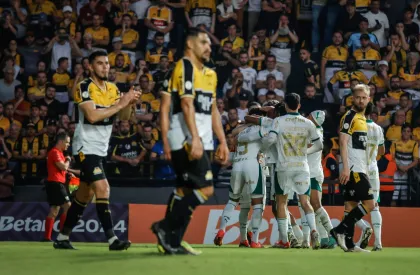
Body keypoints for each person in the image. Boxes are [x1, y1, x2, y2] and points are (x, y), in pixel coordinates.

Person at [153, 28, 229, 255]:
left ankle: (172, 241)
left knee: (185, 190)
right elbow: (182, 105)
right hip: (186, 139)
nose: (209, 46)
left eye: (210, 43)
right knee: (205, 189)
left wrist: (222, 141)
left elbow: (213, 109)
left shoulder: (211, 74)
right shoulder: (184, 67)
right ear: (189, 44)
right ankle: (165, 228)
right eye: (203, 42)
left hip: (203, 140)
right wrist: (185, 139)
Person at [53, 51, 140, 250]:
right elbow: (92, 116)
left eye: (107, 63)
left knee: (84, 195)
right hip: (85, 147)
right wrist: (121, 103)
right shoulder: (84, 87)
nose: (105, 67)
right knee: (103, 188)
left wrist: (130, 102)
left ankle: (62, 237)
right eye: (100, 63)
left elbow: (124, 116)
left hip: (101, 149)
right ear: (90, 67)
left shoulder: (113, 88)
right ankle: (112, 240)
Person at [260, 93, 324, 249]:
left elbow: (271, 139)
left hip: (284, 167)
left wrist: (262, 150)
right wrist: (304, 153)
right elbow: (319, 145)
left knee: (281, 202)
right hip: (302, 166)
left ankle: (284, 239)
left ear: (286, 105)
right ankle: (314, 231)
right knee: (305, 202)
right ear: (299, 105)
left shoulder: (278, 121)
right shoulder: (307, 123)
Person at [330, 84, 374, 253]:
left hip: (360, 166)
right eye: (358, 97)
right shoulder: (350, 116)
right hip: (353, 168)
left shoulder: (362, 118)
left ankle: (349, 245)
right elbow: (342, 141)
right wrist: (346, 169)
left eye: (364, 97)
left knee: (350, 206)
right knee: (370, 203)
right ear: (352, 98)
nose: (361, 100)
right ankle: (339, 230)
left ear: (368, 99)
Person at [214, 108, 266, 248]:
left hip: (237, 166)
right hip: (252, 166)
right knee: (258, 205)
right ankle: (254, 240)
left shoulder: (240, 130)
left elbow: (233, 135)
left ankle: (222, 230)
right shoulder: (262, 127)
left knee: (233, 201)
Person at [305, 110, 335, 249]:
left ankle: (332, 234)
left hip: (312, 173)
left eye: (309, 116)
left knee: (315, 205)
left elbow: (308, 148)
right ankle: (324, 238)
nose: (307, 117)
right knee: (314, 207)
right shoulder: (317, 129)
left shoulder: (314, 131)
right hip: (311, 171)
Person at [43, 132, 73, 242]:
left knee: (54, 210)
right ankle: (63, 236)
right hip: (56, 184)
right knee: (68, 207)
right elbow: (63, 167)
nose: (68, 145)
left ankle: (47, 237)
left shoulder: (59, 153)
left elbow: (61, 170)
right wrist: (68, 159)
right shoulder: (55, 152)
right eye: (67, 142)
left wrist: (68, 174)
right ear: (60, 141)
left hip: (54, 183)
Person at [363, 102, 384, 251]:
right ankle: (378, 242)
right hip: (373, 170)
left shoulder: (357, 126)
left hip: (359, 170)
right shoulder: (378, 128)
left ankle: (363, 229)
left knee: (351, 204)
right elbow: (382, 150)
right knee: (374, 205)